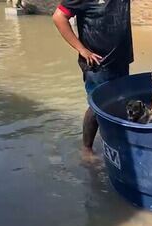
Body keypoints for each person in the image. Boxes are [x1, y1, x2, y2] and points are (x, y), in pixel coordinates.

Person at [53, 0, 133, 161]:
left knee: (119, 102)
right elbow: (59, 17)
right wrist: (82, 49)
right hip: (97, 64)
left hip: (121, 60)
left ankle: (115, 144)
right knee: (97, 107)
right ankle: (87, 149)